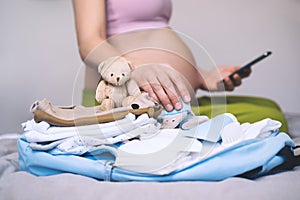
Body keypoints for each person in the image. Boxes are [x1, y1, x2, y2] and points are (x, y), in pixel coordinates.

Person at [72, 0, 288, 132]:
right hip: (120, 100)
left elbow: (150, 35)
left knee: (268, 108)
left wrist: (203, 77)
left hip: (172, 101)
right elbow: (90, 43)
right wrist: (132, 70)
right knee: (270, 122)